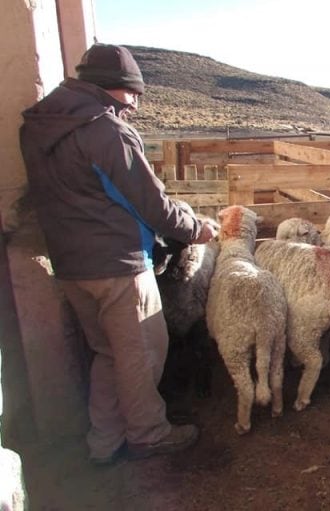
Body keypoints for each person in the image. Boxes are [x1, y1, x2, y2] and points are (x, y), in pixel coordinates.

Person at [19, 44, 219, 464]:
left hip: (71, 265)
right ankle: (148, 433)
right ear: (115, 88)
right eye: (133, 94)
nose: (135, 105)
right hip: (119, 264)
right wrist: (196, 228)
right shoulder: (106, 131)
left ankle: (103, 440)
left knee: (108, 352)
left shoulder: (39, 127)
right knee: (143, 349)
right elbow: (151, 205)